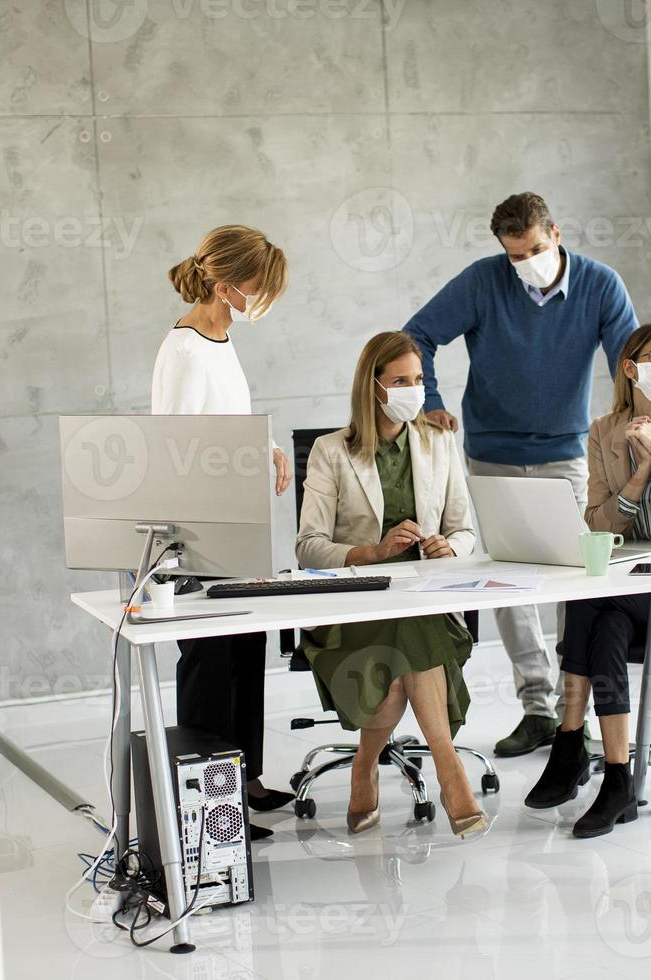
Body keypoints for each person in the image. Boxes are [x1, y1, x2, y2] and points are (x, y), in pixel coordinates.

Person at [404, 191, 638, 759]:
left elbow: (627, 361)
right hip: (492, 452)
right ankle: (537, 707)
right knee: (509, 583)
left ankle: (572, 713)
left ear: (555, 234)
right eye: (514, 255)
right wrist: (430, 398)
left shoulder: (600, 285)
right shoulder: (483, 282)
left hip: (566, 453)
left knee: (577, 580)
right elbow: (416, 336)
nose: (525, 262)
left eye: (534, 248)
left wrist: (634, 427)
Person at [523, 323, 651, 837]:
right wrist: (634, 477)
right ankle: (618, 776)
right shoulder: (603, 432)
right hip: (621, 596)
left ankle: (571, 743)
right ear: (631, 368)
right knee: (604, 618)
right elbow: (597, 525)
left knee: (591, 605)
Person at [295, 331, 489, 839]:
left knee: (410, 631)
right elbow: (308, 546)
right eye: (401, 380)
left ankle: (368, 762)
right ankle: (450, 774)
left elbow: (466, 529)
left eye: (419, 379)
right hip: (357, 608)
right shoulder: (330, 451)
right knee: (407, 637)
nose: (413, 389)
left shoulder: (439, 441)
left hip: (426, 598)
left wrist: (451, 546)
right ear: (373, 386)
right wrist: (373, 552)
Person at [152, 224, 294, 836]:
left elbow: (225, 418)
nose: (259, 299)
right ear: (224, 280)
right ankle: (213, 807)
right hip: (203, 527)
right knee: (209, 662)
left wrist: (264, 447)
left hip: (238, 515)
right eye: (256, 287)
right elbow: (177, 443)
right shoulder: (182, 347)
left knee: (246, 648)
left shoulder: (222, 338)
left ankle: (245, 775)